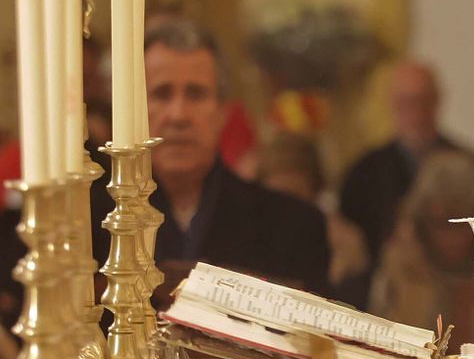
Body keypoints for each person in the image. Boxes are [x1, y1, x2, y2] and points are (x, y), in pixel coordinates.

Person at [107, 20, 329, 297]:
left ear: (223, 110)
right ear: (128, 109)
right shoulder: (91, 221)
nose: (178, 115)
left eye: (196, 94)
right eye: (161, 94)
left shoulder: (293, 227)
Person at [339, 61, 474, 259]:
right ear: (392, 105)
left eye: (424, 101)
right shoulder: (363, 173)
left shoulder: (468, 167)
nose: (417, 113)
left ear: (437, 101)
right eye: (407, 103)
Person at [367, 147, 474, 347]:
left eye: (464, 225)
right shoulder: (401, 268)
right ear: (422, 222)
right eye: (442, 224)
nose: (453, 239)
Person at [255, 133, 371, 309]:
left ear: (314, 190)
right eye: (278, 197)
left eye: (295, 196)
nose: (287, 208)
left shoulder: (343, 242)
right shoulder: (252, 235)